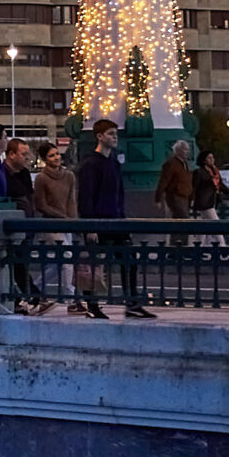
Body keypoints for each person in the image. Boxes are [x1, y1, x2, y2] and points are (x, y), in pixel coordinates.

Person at [76, 119, 154, 318]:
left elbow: (119, 193)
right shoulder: (90, 164)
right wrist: (90, 226)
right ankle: (92, 306)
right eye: (110, 134)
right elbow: (86, 196)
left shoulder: (113, 163)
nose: (115, 137)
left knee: (129, 260)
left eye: (115, 134)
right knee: (93, 265)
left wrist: (122, 217)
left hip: (116, 221)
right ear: (99, 136)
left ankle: (132, 304)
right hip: (99, 222)